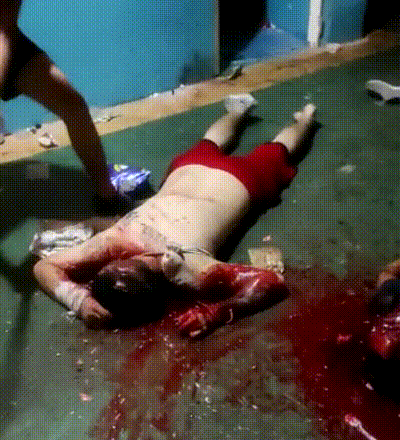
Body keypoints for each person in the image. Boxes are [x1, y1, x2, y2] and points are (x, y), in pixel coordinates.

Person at [33, 95, 317, 337]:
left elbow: (44, 267)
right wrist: (217, 313)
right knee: (262, 148)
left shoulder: (127, 248)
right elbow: (273, 282)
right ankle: (287, 117)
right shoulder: (171, 260)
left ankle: (265, 115)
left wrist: (80, 302)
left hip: (212, 178)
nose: (113, 266)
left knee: (246, 145)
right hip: (220, 178)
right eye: (115, 271)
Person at [0, 1, 125, 212]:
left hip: (5, 33)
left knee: (73, 107)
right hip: (3, 32)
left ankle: (107, 195)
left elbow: (4, 26)